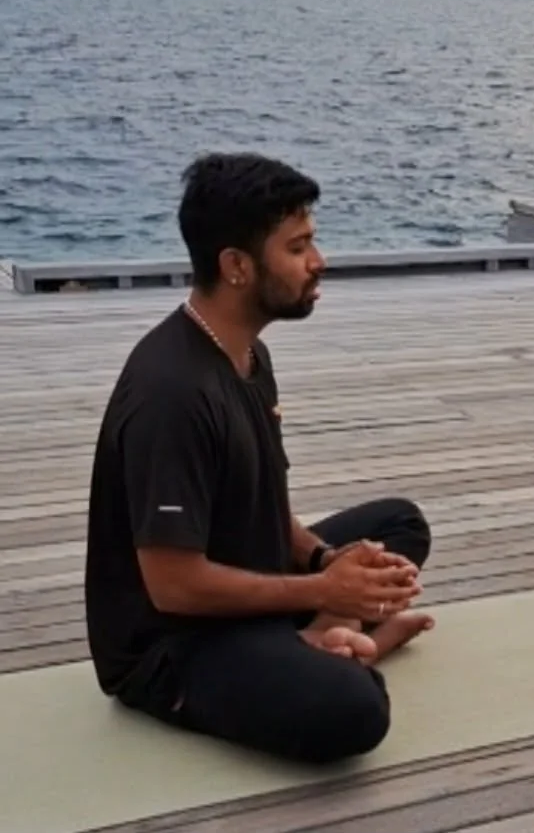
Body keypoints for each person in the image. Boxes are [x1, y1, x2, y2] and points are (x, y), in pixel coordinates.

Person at [84, 152, 434, 764]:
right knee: (354, 710)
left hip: (245, 578)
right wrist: (323, 587)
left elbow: (267, 503)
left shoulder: (246, 354)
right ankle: (336, 642)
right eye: (298, 248)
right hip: (174, 641)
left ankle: (323, 632)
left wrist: (327, 559)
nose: (319, 262)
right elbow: (172, 586)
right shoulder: (172, 393)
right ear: (237, 266)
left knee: (401, 525)